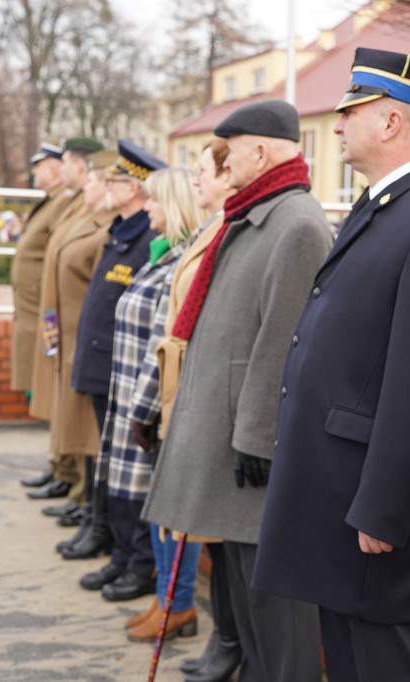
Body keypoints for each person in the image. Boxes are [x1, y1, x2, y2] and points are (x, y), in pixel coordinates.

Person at [251, 48, 410, 682]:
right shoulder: (384, 204)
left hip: (371, 506)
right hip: (340, 487)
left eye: (349, 112)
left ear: (389, 122)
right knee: (348, 655)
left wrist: (385, 507)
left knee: (379, 661)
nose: (336, 126)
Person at [142, 99, 331, 682]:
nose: (221, 163)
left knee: (275, 613)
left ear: (261, 151)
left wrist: (256, 436)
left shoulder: (295, 223)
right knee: (250, 612)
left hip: (250, 445)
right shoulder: (255, 211)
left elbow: (283, 339)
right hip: (225, 435)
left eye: (228, 151)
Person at [133, 139, 244, 676]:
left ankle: (214, 633)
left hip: (206, 400)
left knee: (213, 537)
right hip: (181, 390)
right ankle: (204, 628)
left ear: (229, 174)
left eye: (203, 169)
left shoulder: (230, 231)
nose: (195, 178)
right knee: (188, 525)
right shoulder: (209, 229)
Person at [88, 165, 211, 638]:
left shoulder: (181, 258)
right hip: (144, 397)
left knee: (171, 512)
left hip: (163, 401)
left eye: (157, 201)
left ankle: (177, 603)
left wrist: (144, 408)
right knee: (158, 509)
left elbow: (166, 338)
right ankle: (167, 601)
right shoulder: (160, 254)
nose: (149, 209)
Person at [68, 141, 163, 588]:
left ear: (137, 189)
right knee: (112, 468)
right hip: (102, 364)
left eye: (116, 180)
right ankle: (121, 553)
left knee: (131, 474)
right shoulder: (120, 232)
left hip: (123, 373)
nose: (108, 187)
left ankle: (137, 559)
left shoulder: (147, 238)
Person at [32, 147, 119, 555]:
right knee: (76, 427)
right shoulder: (85, 215)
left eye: (96, 180)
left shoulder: (108, 227)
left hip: (87, 343)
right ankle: (83, 505)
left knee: (89, 433)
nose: (87, 185)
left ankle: (90, 510)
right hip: (65, 334)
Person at [24, 137, 106, 504]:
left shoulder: (88, 208)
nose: (70, 170)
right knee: (59, 397)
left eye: (69, 162)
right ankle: (65, 471)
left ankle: (78, 489)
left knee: (76, 409)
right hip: (56, 317)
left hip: (76, 328)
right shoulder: (74, 203)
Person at [10, 143, 67, 399]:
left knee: (41, 358)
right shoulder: (53, 200)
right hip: (32, 302)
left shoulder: (62, 201)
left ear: (55, 171)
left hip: (41, 303)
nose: (34, 174)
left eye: (39, 168)